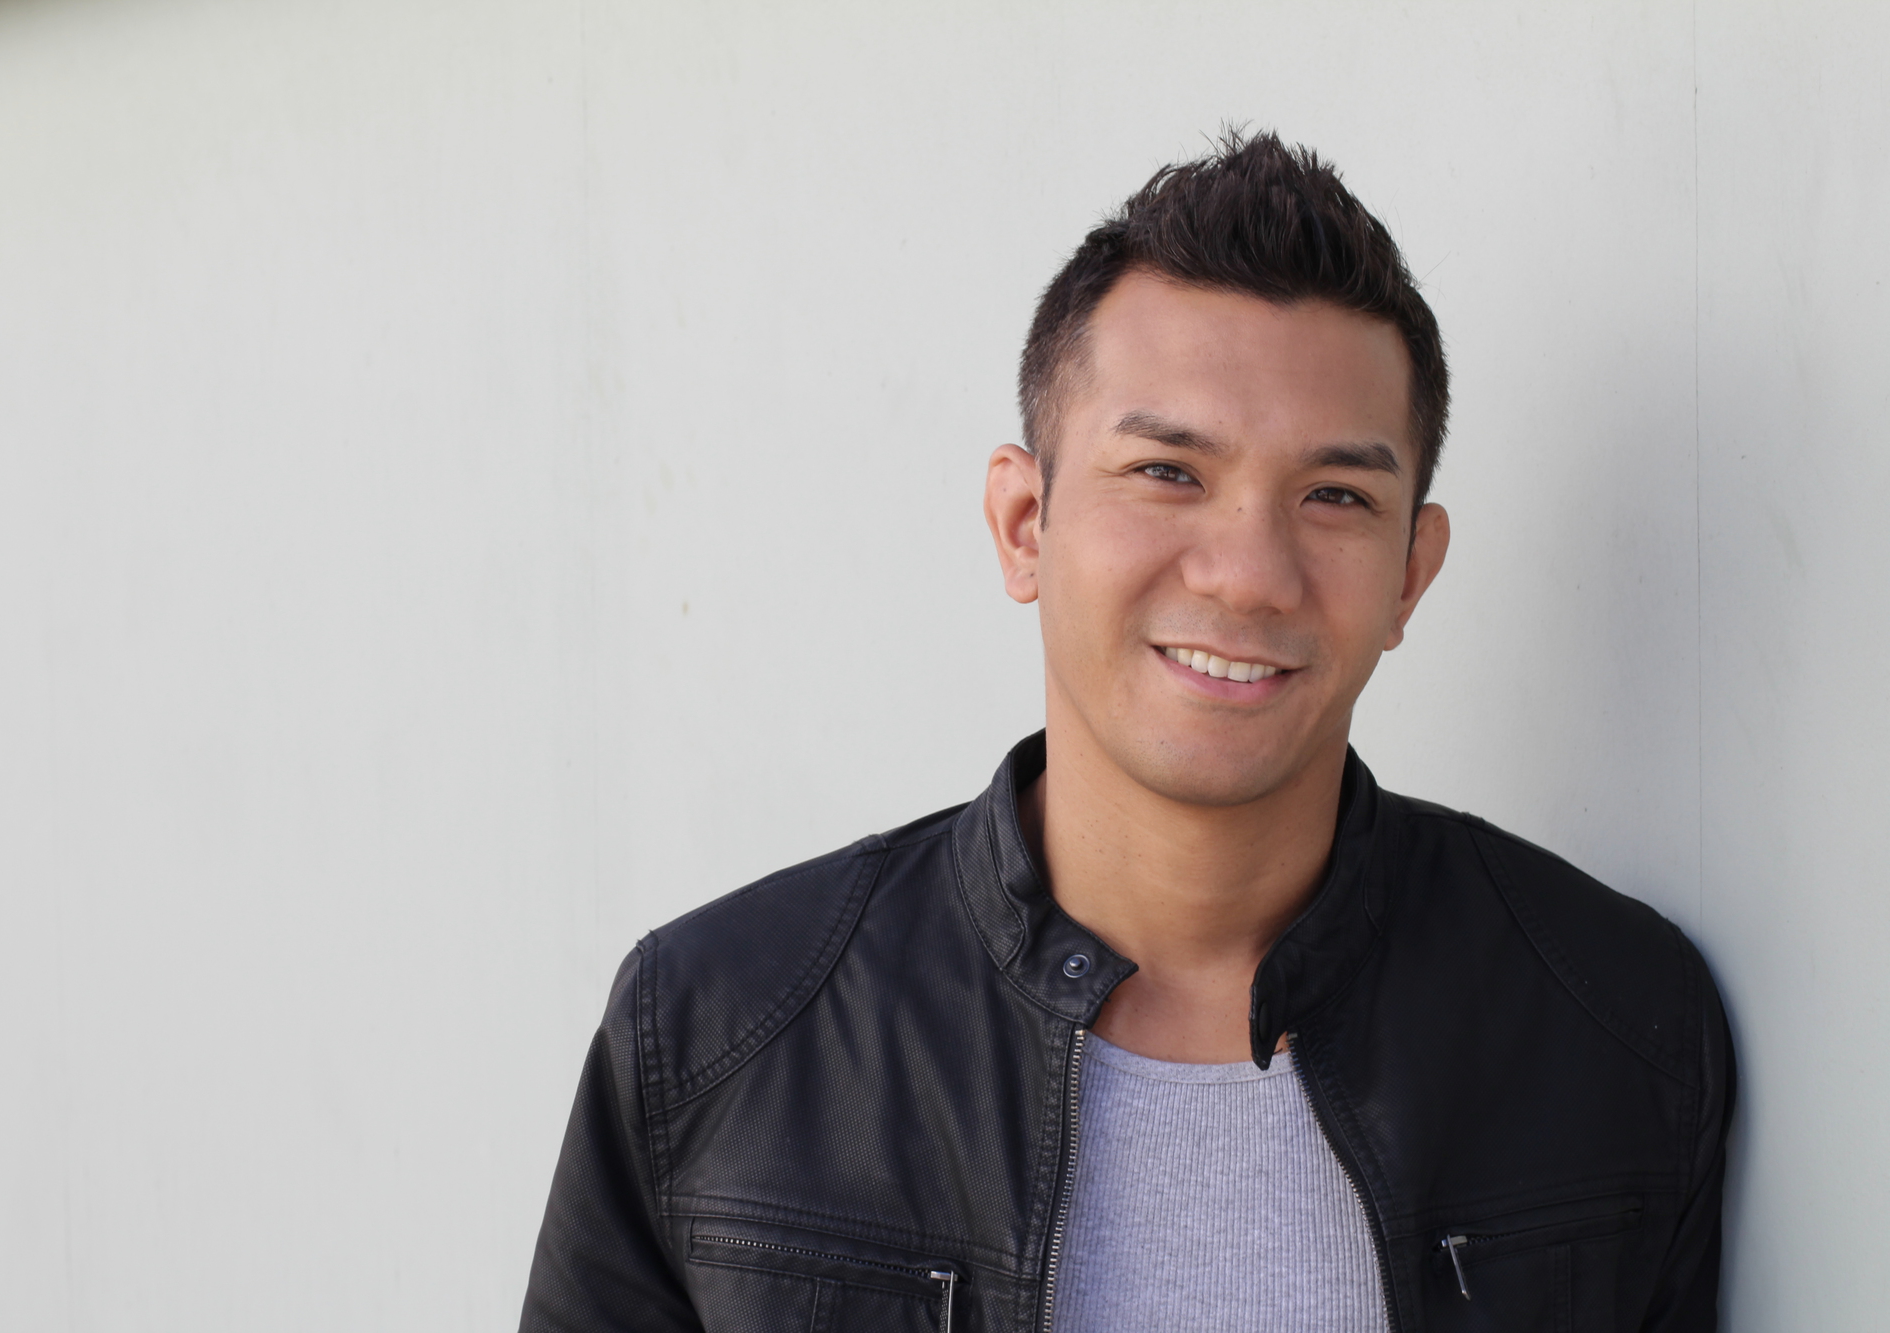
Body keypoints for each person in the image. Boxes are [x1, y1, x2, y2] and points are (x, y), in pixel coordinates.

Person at [518, 131, 1733, 1332]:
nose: (1249, 574)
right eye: (1166, 472)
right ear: (1021, 523)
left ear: (1410, 574)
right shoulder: (718, 1031)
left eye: (1334, 497)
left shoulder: (1613, 1028)